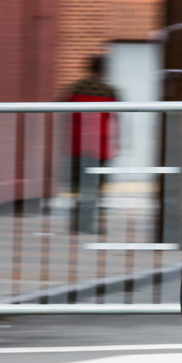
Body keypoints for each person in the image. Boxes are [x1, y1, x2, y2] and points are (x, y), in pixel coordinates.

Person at [64, 55, 120, 234]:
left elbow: (64, 114)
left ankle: (77, 223)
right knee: (94, 187)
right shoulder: (109, 91)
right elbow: (116, 118)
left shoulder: (75, 89)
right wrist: (116, 143)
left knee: (80, 186)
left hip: (78, 145)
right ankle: (87, 224)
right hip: (100, 147)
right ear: (103, 69)